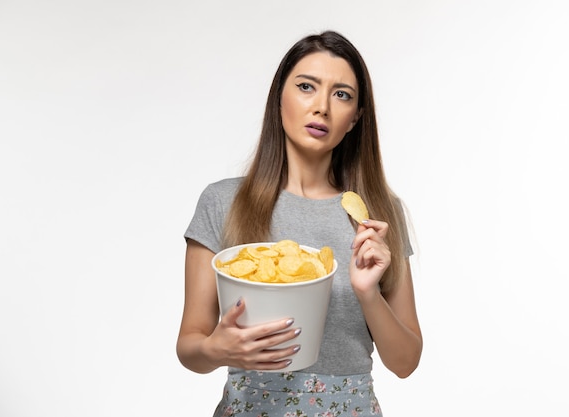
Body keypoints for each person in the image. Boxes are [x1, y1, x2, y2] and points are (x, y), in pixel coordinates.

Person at [177, 30, 422, 416]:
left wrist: (368, 293)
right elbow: (190, 346)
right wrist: (214, 348)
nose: (322, 106)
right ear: (280, 97)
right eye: (307, 86)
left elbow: (405, 362)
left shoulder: (379, 213)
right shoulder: (223, 202)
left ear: (356, 117)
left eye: (342, 94)